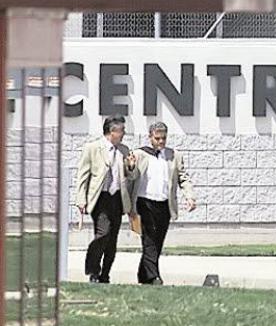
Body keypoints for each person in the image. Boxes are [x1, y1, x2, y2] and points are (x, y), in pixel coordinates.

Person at [131, 121, 197, 285]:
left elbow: (183, 177)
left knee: (157, 241)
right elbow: (130, 176)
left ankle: (144, 275)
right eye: (157, 138)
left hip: (164, 204)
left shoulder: (174, 155)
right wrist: (130, 166)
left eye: (164, 138)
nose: (161, 142)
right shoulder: (139, 154)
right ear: (150, 137)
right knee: (149, 240)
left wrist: (190, 196)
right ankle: (154, 277)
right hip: (144, 203)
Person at [74, 116, 137, 283]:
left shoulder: (124, 150)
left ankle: (105, 275)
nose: (124, 134)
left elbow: (130, 177)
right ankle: (93, 270)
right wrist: (81, 199)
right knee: (103, 233)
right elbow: (83, 176)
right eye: (121, 131)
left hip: (117, 199)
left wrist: (131, 167)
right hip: (100, 198)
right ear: (112, 132)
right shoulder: (93, 148)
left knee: (112, 240)